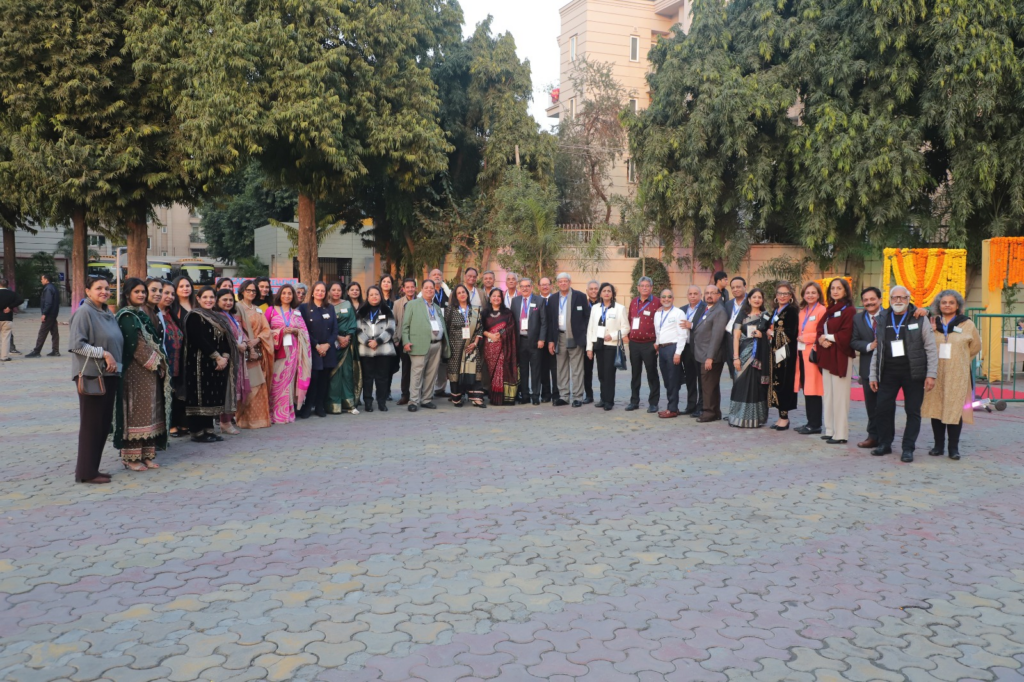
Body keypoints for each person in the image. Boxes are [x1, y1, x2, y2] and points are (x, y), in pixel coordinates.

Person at [869, 285, 938, 463]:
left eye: (902, 297)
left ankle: (908, 448)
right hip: (888, 372)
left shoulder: (919, 318)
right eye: (895, 297)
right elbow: (878, 348)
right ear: (890, 300)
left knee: (913, 411)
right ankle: (885, 444)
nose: (898, 300)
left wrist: (931, 374)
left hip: (913, 373)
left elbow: (930, 347)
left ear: (908, 300)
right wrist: (873, 374)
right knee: (883, 409)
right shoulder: (883, 318)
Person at [112, 278, 170, 472]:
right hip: (135, 373)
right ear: (127, 294)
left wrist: (159, 364)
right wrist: (158, 363)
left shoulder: (140, 314)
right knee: (136, 414)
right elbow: (137, 345)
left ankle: (147, 455)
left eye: (143, 292)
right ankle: (131, 457)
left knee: (150, 413)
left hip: (149, 373)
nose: (141, 295)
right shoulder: (126, 316)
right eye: (137, 292)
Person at [69, 276, 123, 484]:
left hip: (109, 375)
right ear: (87, 291)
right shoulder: (84, 312)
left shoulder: (106, 313)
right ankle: (85, 473)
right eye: (98, 288)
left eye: (107, 288)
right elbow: (77, 345)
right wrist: (104, 353)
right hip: (92, 376)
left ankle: (92, 468)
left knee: (102, 424)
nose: (104, 291)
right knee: (92, 425)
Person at [921, 290, 981, 461]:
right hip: (935, 372)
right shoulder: (932, 323)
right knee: (936, 407)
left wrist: (961, 359)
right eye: (944, 302)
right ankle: (938, 446)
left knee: (955, 409)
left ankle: (953, 448)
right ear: (938, 305)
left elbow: (975, 347)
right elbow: (923, 344)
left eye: (951, 302)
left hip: (957, 373)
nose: (947, 305)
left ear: (957, 305)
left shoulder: (967, 324)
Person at [183, 287, 236, 443]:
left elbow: (226, 339)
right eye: (205, 297)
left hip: (217, 364)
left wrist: (225, 357)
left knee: (212, 397)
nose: (209, 300)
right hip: (199, 363)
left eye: (211, 297)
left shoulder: (217, 317)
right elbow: (198, 339)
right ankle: (197, 432)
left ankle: (209, 430)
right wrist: (217, 357)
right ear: (198, 299)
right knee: (200, 397)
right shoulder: (194, 316)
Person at [816, 278, 857, 444]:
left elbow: (847, 333)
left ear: (846, 291)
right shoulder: (830, 310)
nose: (835, 291)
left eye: (839, 288)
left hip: (841, 356)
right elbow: (820, 328)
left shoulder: (850, 310)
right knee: (828, 395)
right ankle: (830, 429)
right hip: (827, 355)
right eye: (833, 288)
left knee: (840, 397)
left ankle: (840, 434)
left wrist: (828, 337)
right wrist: (821, 339)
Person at [265, 284, 311, 424]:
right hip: (276, 352)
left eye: (290, 293)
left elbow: (305, 332)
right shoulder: (271, 310)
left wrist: (296, 331)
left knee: (288, 384)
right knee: (275, 382)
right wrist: (279, 332)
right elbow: (264, 331)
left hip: (293, 354)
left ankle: (286, 414)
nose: (287, 296)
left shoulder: (296, 312)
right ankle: (273, 413)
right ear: (279, 294)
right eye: (284, 293)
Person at [402, 279, 450, 411]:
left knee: (431, 374)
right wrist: (406, 341)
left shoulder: (436, 308)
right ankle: (413, 401)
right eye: (426, 287)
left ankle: (426, 399)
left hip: (437, 345)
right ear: (421, 290)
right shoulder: (412, 304)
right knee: (417, 374)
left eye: (432, 288)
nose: (429, 290)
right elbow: (405, 326)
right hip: (418, 344)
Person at [727, 288, 771, 428]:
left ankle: (755, 418)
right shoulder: (742, 315)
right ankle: (738, 417)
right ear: (749, 299)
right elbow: (736, 337)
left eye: (760, 297)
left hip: (760, 357)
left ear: (762, 300)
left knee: (756, 386)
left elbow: (772, 334)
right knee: (740, 384)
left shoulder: (766, 316)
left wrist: (763, 335)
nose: (757, 300)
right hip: (743, 355)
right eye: (754, 297)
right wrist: (735, 358)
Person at [234, 280, 274, 429]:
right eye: (248, 290)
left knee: (259, 384)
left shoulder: (258, 309)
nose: (251, 293)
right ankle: (243, 419)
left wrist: (257, 339)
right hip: (244, 351)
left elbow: (266, 329)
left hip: (258, 351)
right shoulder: (237, 307)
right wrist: (247, 343)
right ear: (242, 292)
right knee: (248, 384)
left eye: (253, 291)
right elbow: (236, 329)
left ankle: (260, 420)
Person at [548, 273, 590, 407]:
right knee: (561, 368)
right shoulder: (553, 299)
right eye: (560, 281)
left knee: (577, 368)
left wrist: (584, 335)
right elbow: (550, 321)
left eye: (565, 281)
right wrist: (551, 340)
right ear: (557, 284)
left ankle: (577, 397)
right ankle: (564, 396)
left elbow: (587, 317)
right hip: (559, 337)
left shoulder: (580, 296)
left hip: (575, 337)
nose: (563, 283)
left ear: (570, 282)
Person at [586, 283, 630, 410]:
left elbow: (626, 328)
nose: (606, 293)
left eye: (609, 291)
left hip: (611, 345)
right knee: (601, 373)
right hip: (598, 344)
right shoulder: (595, 308)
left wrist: (613, 335)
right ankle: (603, 398)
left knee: (609, 374)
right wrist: (589, 348)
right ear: (600, 293)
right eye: (604, 291)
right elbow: (590, 328)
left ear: (612, 294)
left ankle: (609, 401)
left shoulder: (619, 308)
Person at [298, 282, 338, 418]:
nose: (320, 293)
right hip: (312, 349)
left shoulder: (330, 308)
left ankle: (320, 406)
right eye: (317, 290)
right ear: (313, 292)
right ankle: (308, 405)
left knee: (324, 379)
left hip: (327, 350)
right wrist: (316, 345)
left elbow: (335, 329)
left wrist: (328, 345)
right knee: (313, 378)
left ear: (326, 293)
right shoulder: (304, 308)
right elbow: (304, 329)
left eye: (322, 291)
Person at [850, 287, 883, 448]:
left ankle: (886, 438)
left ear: (880, 300)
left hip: (887, 368)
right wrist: (870, 345)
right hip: (867, 368)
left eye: (872, 299)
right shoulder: (858, 318)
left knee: (886, 405)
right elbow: (854, 341)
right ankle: (873, 436)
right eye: (866, 300)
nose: (869, 302)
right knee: (871, 405)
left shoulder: (890, 315)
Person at [355, 285, 396, 412]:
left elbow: (390, 329)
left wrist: (377, 341)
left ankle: (381, 402)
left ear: (380, 296)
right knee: (367, 378)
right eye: (371, 294)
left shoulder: (387, 310)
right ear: (367, 297)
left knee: (382, 377)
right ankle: (368, 402)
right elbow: (357, 330)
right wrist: (368, 342)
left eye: (376, 294)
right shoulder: (361, 312)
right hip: (366, 350)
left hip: (383, 349)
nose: (374, 297)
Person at [692, 285, 728, 422]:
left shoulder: (719, 311)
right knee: (711, 385)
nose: (709, 295)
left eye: (712, 293)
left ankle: (708, 412)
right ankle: (715, 412)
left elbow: (716, 337)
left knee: (708, 386)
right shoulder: (707, 309)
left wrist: (710, 357)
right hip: (702, 353)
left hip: (710, 355)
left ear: (718, 295)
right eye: (707, 293)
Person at [445, 284, 485, 407]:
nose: (462, 294)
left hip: (471, 347)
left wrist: (475, 343)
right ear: (455, 296)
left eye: (464, 292)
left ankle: (476, 398)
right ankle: (457, 398)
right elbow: (446, 328)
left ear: (467, 294)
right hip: (455, 347)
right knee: (456, 372)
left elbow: (479, 328)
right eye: (459, 293)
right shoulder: (450, 310)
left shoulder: (475, 310)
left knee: (474, 370)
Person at [793, 282, 825, 435]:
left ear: (818, 295)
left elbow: (822, 332)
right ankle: (810, 422)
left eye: (813, 292)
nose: (810, 295)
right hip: (801, 355)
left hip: (813, 355)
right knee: (807, 389)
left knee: (814, 390)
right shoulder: (802, 311)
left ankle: (815, 424)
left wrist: (805, 337)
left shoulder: (821, 310)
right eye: (807, 293)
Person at [510, 278, 548, 405]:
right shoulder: (515, 301)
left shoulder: (540, 300)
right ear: (519, 288)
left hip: (535, 341)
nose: (524, 288)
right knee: (523, 370)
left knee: (536, 370)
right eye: (522, 286)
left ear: (532, 287)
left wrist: (542, 339)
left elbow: (544, 322)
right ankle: (525, 395)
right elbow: (512, 321)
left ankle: (536, 395)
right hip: (520, 341)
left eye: (527, 286)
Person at [767, 282, 799, 430]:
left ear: (791, 296)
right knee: (776, 382)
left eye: (785, 294)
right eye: (780, 293)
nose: (782, 296)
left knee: (784, 383)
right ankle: (781, 416)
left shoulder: (791, 311)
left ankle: (785, 418)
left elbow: (791, 333)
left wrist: (772, 333)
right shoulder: (776, 310)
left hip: (785, 353)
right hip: (775, 352)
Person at [216, 288, 249, 434]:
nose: (228, 302)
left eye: (230, 300)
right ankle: (225, 422)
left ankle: (228, 420)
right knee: (227, 390)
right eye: (224, 300)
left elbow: (240, 333)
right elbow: (223, 338)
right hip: (226, 357)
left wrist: (245, 343)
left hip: (237, 357)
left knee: (233, 389)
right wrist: (237, 345)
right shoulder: (218, 316)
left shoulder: (231, 316)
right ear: (217, 301)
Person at [626, 276, 661, 413]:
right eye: (642, 285)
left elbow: (661, 323)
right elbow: (629, 319)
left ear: (651, 288)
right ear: (638, 288)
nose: (645, 288)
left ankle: (653, 403)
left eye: (647, 285)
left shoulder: (657, 302)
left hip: (649, 344)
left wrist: (658, 343)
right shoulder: (634, 302)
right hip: (634, 343)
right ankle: (634, 401)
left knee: (652, 373)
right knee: (635, 374)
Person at [481, 287, 519, 405]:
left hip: (504, 346)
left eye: (498, 296)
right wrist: (490, 335)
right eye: (494, 296)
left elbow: (510, 327)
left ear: (501, 299)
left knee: (502, 371)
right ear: (490, 298)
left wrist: (500, 333)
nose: (496, 298)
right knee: (492, 372)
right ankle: (494, 396)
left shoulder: (507, 313)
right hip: (489, 347)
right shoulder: (484, 313)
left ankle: (503, 398)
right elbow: (480, 328)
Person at [327, 282, 360, 414]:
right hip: (332, 345)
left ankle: (349, 403)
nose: (336, 292)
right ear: (329, 291)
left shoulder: (347, 304)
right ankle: (333, 404)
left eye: (339, 290)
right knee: (334, 376)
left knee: (347, 373)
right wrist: (337, 338)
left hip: (347, 344)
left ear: (342, 292)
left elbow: (352, 321)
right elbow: (326, 326)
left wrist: (348, 337)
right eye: (333, 290)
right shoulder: (326, 306)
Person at [169, 276, 196, 437]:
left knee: (191, 389)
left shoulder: (196, 305)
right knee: (178, 389)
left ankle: (186, 424)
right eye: (181, 286)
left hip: (195, 353)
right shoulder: (173, 307)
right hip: (179, 353)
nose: (185, 288)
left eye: (188, 285)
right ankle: (173, 424)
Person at [654, 288, 685, 418]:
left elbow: (682, 334)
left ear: (673, 299)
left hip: (673, 348)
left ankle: (672, 408)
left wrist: (678, 353)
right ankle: (672, 407)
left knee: (673, 379)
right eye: (663, 297)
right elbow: (658, 331)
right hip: (662, 349)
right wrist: (657, 343)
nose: (666, 299)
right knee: (667, 379)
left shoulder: (679, 313)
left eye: (669, 297)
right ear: (660, 299)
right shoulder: (658, 314)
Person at [678, 285, 705, 415]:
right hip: (686, 348)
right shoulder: (682, 310)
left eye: (695, 294)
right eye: (690, 294)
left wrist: (692, 325)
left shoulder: (705, 308)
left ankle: (701, 406)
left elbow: (706, 326)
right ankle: (691, 405)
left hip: (699, 348)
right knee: (690, 378)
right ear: (687, 296)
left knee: (701, 378)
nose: (693, 296)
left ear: (700, 295)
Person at [392, 278, 419, 405]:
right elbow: (394, 322)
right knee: (406, 368)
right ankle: (405, 395)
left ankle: (417, 394)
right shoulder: (397, 303)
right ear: (403, 289)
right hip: (403, 340)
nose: (410, 289)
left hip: (418, 339)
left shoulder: (421, 302)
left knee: (418, 368)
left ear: (416, 288)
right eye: (407, 287)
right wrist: (396, 339)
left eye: (412, 287)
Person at [26, 273, 61, 358]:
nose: (41, 280)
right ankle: (55, 351)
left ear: (46, 279)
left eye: (42, 279)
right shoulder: (53, 288)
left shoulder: (48, 289)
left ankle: (37, 351)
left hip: (49, 314)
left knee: (42, 332)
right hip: (53, 313)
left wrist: (44, 313)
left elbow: (48, 302)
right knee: (54, 333)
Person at [427, 269, 450, 398]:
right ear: (429, 277)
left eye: (439, 275)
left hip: (445, 333)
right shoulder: (426, 292)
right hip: (431, 334)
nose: (437, 276)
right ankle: (428, 390)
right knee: (430, 363)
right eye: (434, 274)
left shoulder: (447, 293)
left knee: (443, 363)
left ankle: (440, 388)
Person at [721, 276, 747, 380]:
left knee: (745, 378)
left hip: (745, 344)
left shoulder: (752, 301)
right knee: (734, 377)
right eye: (733, 288)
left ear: (745, 287)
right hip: (730, 345)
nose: (735, 289)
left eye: (738, 287)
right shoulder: (728, 304)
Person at [538, 276, 556, 401]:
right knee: (543, 368)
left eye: (547, 284)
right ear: (538, 287)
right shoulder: (535, 300)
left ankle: (556, 393)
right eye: (542, 284)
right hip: (540, 340)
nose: (545, 286)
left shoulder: (555, 300)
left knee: (555, 368)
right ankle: (545, 394)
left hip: (554, 338)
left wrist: (552, 339)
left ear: (551, 286)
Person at [583, 280, 600, 403]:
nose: (594, 291)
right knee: (587, 370)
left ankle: (605, 395)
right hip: (587, 341)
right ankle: (589, 395)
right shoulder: (583, 304)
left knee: (603, 369)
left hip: (601, 341)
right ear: (587, 291)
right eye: (591, 289)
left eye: (596, 288)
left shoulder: (604, 304)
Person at [0, 276, 25, 361]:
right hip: (7, 318)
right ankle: (4, 357)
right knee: (6, 338)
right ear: (7, 285)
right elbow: (21, 300)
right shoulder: (12, 293)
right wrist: (10, 307)